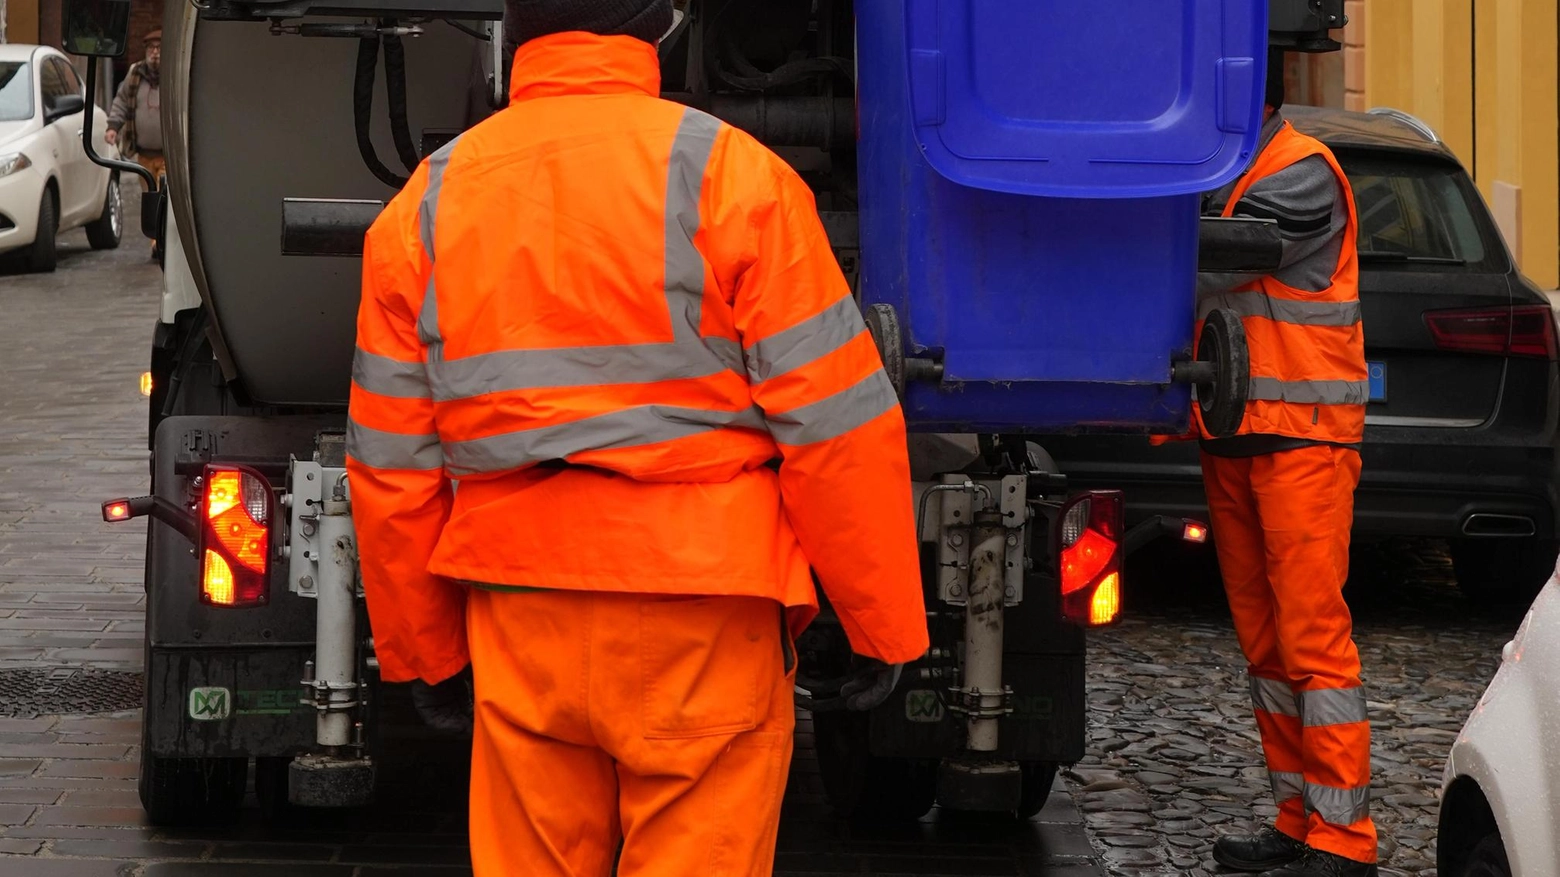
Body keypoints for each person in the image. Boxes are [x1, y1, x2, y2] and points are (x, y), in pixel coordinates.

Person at [344, 1, 930, 875]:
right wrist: (883, 627)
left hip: (521, 613)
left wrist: (424, 652)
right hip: (706, 616)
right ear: (660, 27)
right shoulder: (739, 179)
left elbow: (390, 464)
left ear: (516, 32)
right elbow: (838, 427)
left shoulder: (426, 203)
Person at [1194, 54, 1378, 877]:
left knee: (1311, 641)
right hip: (1241, 434)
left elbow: (1224, 253)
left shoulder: (1298, 168)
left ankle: (1345, 840)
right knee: (1267, 643)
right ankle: (1299, 816)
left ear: (1249, 98)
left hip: (1302, 438)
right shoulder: (1225, 170)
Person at [106, 28, 162, 257]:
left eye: (159, 48)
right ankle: (158, 238)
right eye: (151, 49)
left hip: (168, 154)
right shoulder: (135, 74)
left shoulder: (175, 74)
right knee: (151, 197)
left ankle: (158, 243)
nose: (155, 53)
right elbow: (120, 101)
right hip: (143, 155)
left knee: (162, 195)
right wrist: (112, 128)